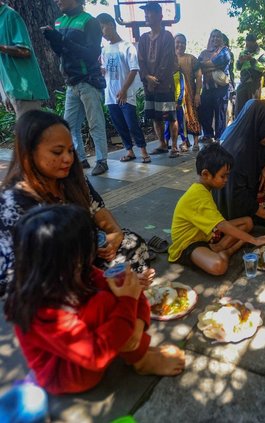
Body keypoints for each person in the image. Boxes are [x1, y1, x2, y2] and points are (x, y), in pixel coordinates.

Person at [4, 204, 185, 395]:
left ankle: (138, 351)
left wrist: (137, 329)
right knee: (106, 302)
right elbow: (94, 354)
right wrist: (128, 304)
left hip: (93, 349)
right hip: (68, 374)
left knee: (122, 281)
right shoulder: (40, 308)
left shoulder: (75, 271)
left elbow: (123, 288)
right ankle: (141, 361)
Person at [0, 110, 153, 298]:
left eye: (70, 150)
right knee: (104, 286)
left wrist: (115, 234)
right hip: (49, 279)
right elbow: (22, 273)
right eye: (57, 152)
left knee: (132, 244)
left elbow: (98, 209)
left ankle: (118, 295)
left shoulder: (71, 178)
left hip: (87, 258)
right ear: (28, 153)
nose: (68, 158)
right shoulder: (13, 203)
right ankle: (112, 298)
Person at [168, 144, 265, 275]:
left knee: (248, 222)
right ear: (206, 174)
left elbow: (219, 223)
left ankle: (220, 249)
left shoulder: (204, 188)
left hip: (205, 235)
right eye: (223, 176)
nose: (226, 180)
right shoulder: (197, 195)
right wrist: (254, 240)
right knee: (219, 266)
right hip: (188, 244)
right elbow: (222, 225)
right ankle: (224, 252)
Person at [42, 0, 109, 176]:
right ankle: (80, 159)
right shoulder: (59, 21)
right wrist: (54, 41)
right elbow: (61, 51)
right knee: (69, 125)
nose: (57, 1)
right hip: (70, 82)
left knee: (95, 123)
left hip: (88, 81)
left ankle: (102, 161)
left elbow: (91, 54)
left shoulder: (90, 21)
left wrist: (62, 40)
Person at [214, 100, 265, 224]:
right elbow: (235, 194)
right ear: (262, 124)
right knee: (249, 223)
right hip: (233, 205)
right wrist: (261, 212)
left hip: (249, 196)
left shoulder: (258, 136)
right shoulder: (238, 151)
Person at [97, 13, 150, 164]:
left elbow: (134, 70)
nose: (102, 32)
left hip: (126, 95)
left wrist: (124, 90)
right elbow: (105, 71)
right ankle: (129, 151)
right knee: (119, 125)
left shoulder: (128, 46)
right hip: (110, 95)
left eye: (102, 27)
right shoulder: (104, 49)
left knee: (132, 123)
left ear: (111, 24)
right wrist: (99, 69)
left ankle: (143, 150)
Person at [137, 2, 178, 158]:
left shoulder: (167, 36)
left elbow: (167, 61)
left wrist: (156, 79)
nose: (147, 15)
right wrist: (147, 77)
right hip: (149, 85)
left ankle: (174, 146)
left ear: (160, 16)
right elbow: (140, 61)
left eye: (150, 13)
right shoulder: (143, 38)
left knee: (171, 116)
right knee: (155, 115)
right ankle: (162, 144)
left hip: (164, 85)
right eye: (145, 13)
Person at [0, 1, 49, 118]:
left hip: (25, 91)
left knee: (33, 134)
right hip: (12, 90)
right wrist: (4, 94)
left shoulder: (11, 16)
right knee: (26, 134)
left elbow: (25, 51)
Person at [198, 29, 231, 142]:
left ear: (221, 39)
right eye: (213, 36)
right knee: (204, 111)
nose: (215, 39)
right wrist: (214, 66)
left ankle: (220, 137)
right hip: (207, 88)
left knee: (220, 114)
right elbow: (198, 67)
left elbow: (213, 62)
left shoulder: (225, 51)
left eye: (217, 37)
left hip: (220, 89)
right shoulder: (203, 53)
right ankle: (208, 134)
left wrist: (206, 65)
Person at [174, 33, 202, 151]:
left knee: (193, 117)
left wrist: (197, 94)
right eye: (178, 42)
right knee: (180, 120)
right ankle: (185, 142)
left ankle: (195, 142)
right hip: (176, 97)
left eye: (183, 42)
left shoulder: (192, 59)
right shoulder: (170, 59)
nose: (180, 45)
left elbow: (199, 77)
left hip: (190, 94)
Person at [235, 34, 265, 116]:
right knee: (239, 108)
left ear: (254, 43)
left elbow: (263, 67)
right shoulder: (243, 52)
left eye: (249, 44)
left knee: (252, 108)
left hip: (254, 84)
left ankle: (252, 127)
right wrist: (240, 62)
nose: (247, 46)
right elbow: (238, 67)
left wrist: (251, 60)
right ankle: (239, 126)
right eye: (246, 44)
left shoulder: (261, 53)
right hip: (243, 82)